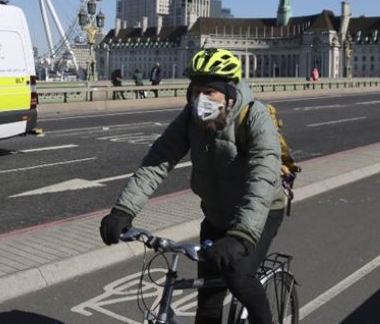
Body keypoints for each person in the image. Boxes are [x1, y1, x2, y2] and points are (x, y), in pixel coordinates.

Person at [99, 48, 286, 324]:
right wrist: (123, 210)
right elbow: (158, 160)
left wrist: (242, 235)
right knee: (207, 304)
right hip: (216, 215)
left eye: (210, 92)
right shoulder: (191, 118)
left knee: (238, 277)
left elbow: (263, 177)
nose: (201, 99)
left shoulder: (254, 117)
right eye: (196, 91)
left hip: (260, 212)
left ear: (229, 92)